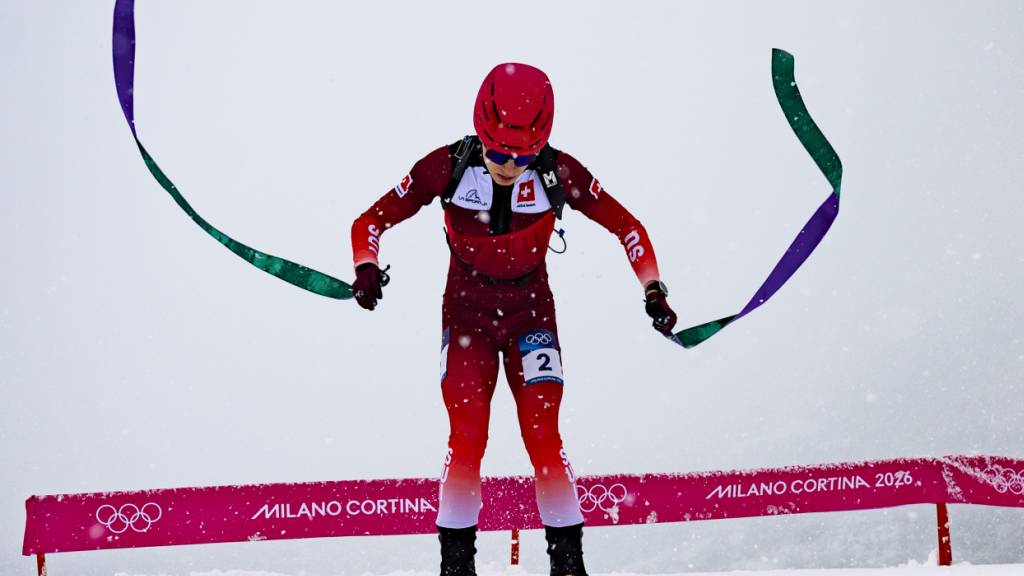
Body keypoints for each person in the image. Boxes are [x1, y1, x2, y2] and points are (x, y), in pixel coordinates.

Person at [350, 62, 677, 576]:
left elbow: (627, 226)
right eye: (499, 152)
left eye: (523, 157)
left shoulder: (558, 172)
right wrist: (366, 265)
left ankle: (568, 565)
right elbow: (370, 220)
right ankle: (456, 567)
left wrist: (653, 289)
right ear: (481, 134)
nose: (509, 165)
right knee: (467, 436)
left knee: (543, 435)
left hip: (531, 317)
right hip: (467, 319)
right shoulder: (446, 167)